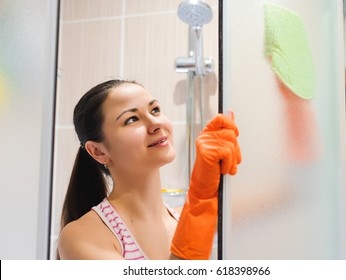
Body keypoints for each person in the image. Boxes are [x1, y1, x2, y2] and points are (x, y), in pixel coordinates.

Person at [57, 79, 241, 260]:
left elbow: (266, 207)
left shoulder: (183, 217)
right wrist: (201, 197)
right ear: (98, 151)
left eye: (155, 110)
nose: (156, 123)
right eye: (131, 119)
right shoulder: (82, 237)